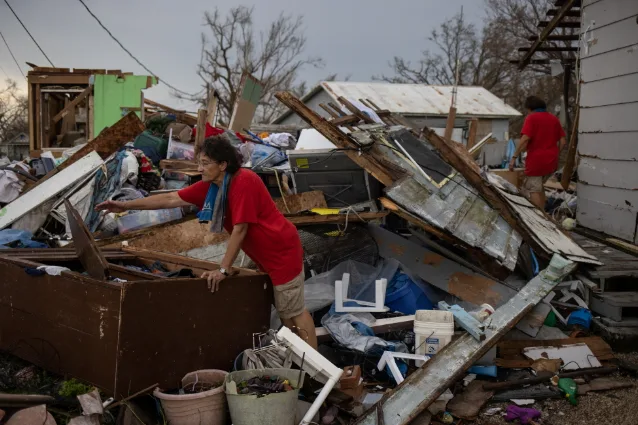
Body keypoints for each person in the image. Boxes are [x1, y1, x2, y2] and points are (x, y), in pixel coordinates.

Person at [96, 135, 318, 349]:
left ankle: (315, 370)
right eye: (199, 163)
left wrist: (223, 268)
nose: (200, 168)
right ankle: (302, 361)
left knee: (294, 311)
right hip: (264, 254)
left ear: (222, 164)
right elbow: (171, 198)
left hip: (281, 250)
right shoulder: (213, 186)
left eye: (205, 163)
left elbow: (241, 229)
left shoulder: (244, 181)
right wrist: (125, 206)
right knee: (285, 312)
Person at [509, 96, 566, 210]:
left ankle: (539, 216)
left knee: (532, 189)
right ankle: (545, 214)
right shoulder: (553, 119)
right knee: (540, 187)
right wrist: (554, 153)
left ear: (530, 108)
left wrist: (514, 157)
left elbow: (525, 139)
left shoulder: (531, 118)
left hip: (536, 161)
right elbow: (563, 141)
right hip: (551, 162)